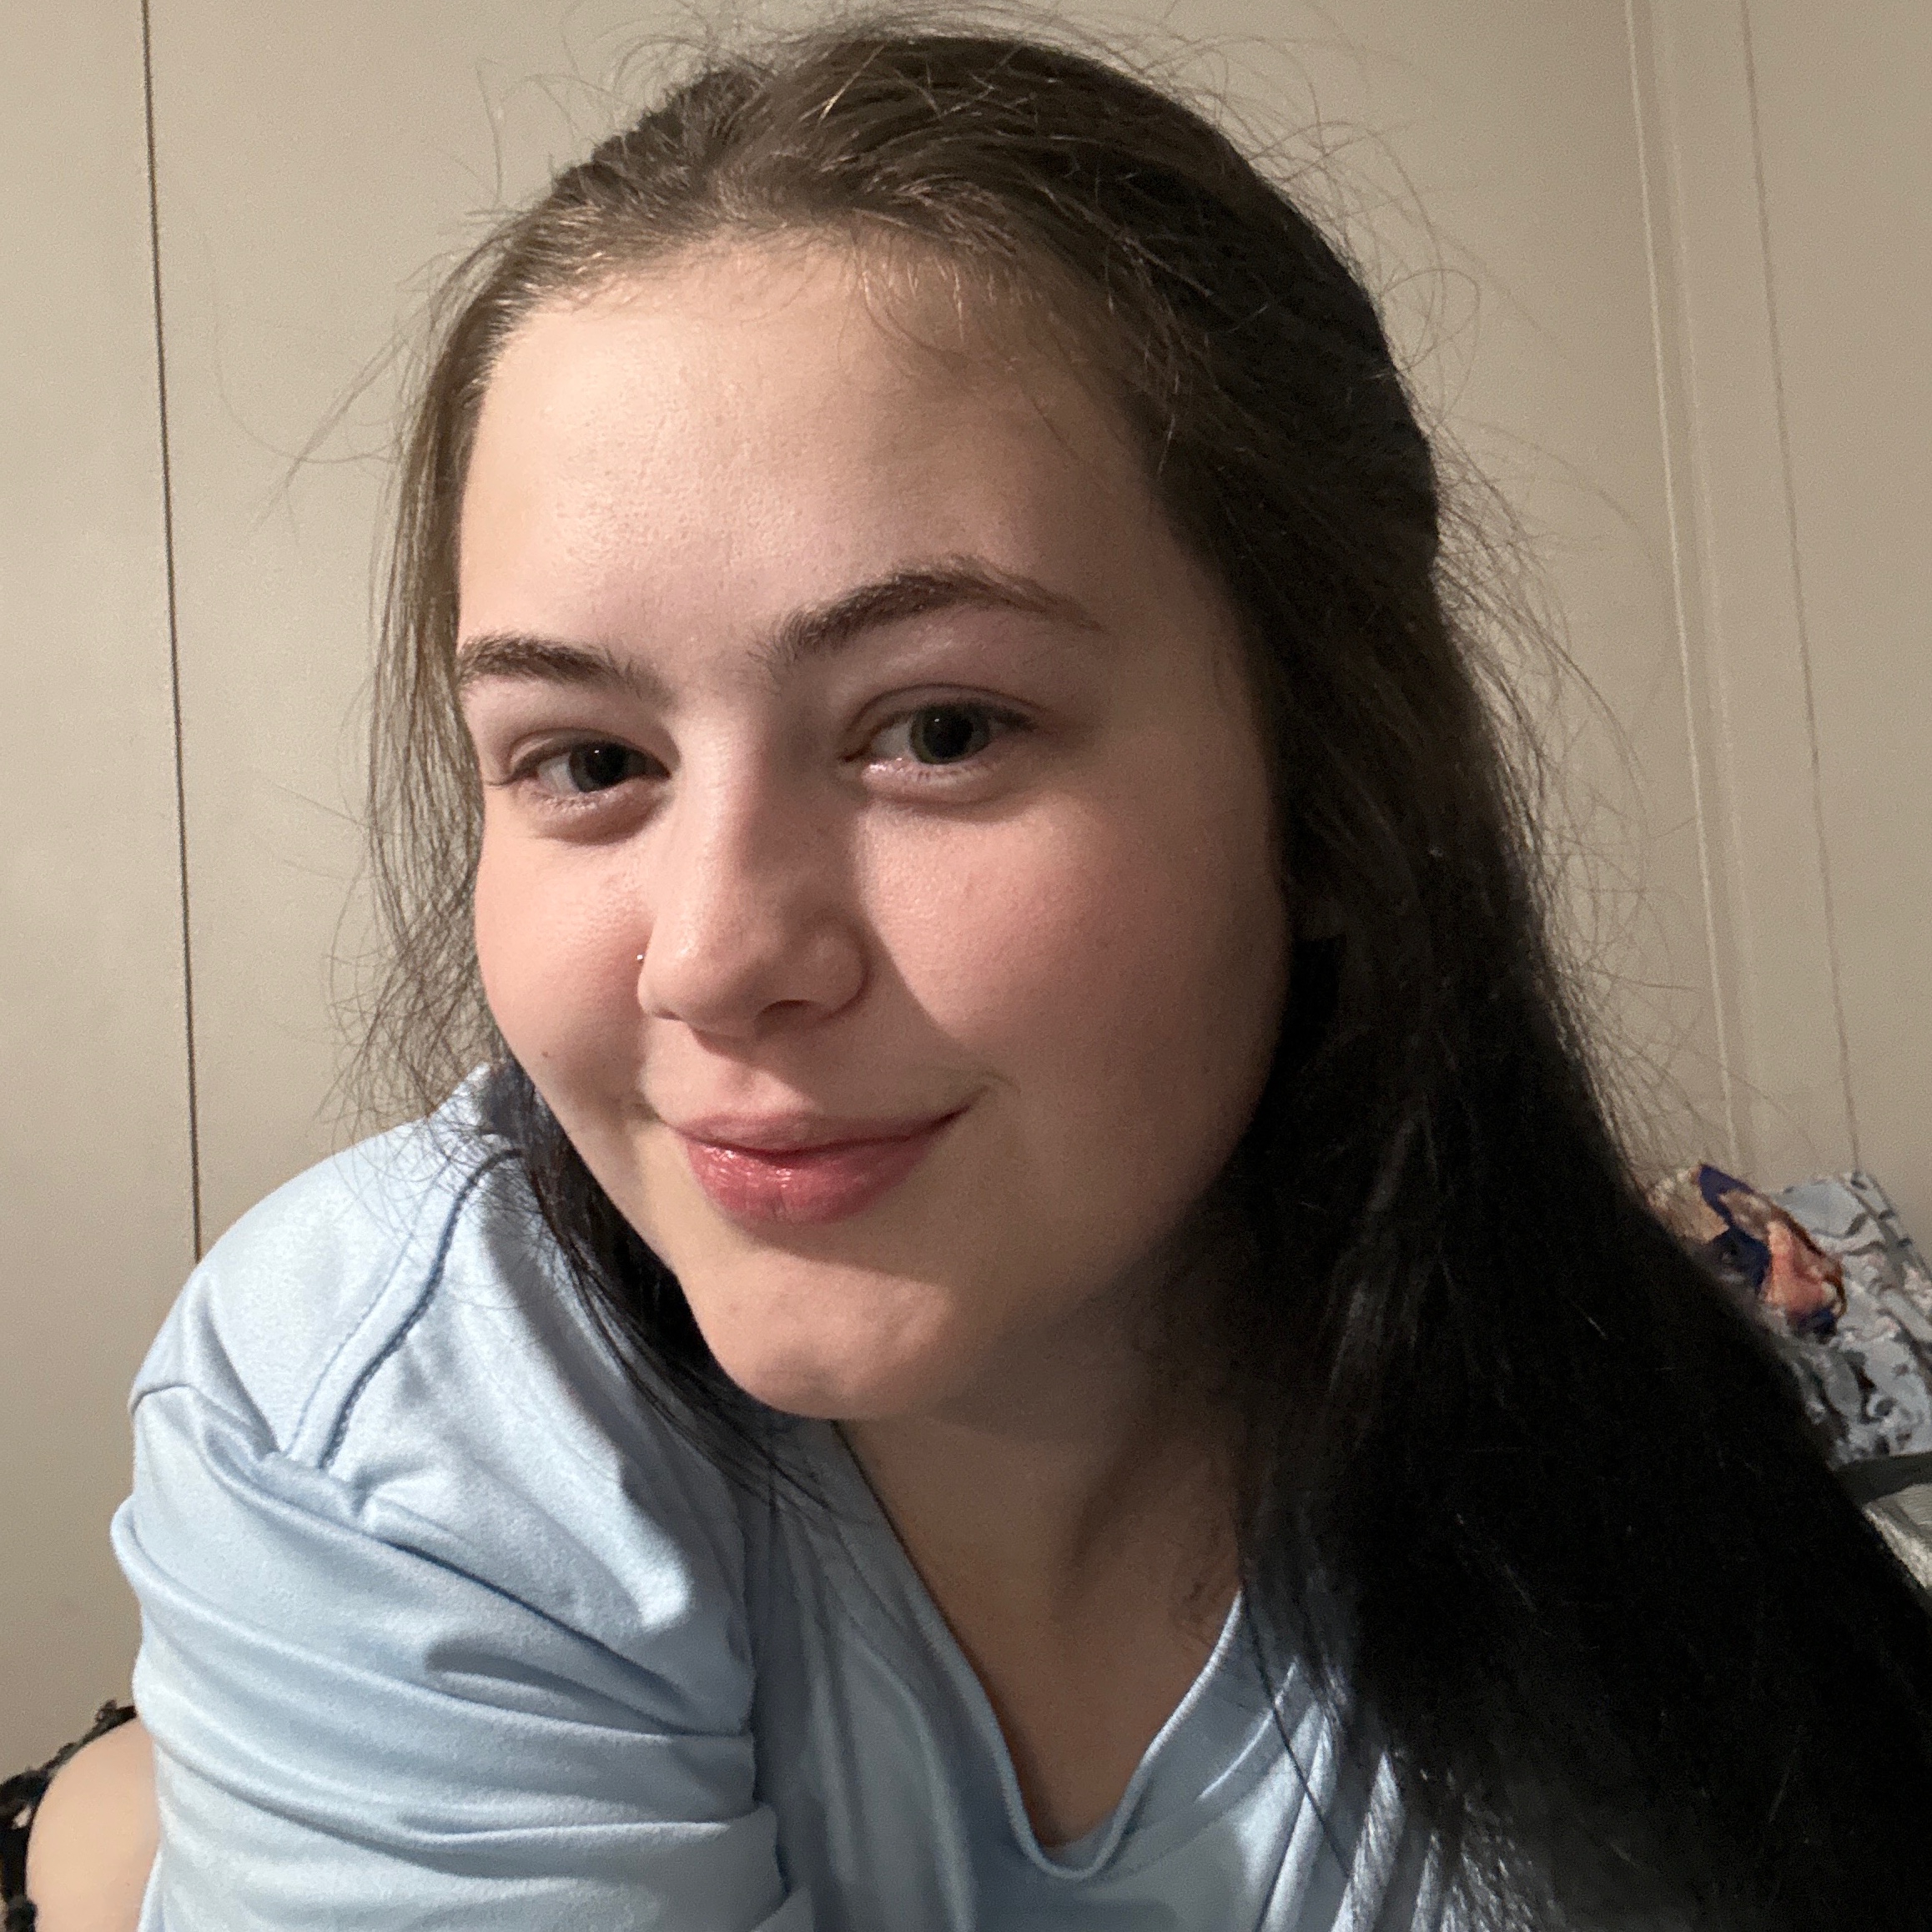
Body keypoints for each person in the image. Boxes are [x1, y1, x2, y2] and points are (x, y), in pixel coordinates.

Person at [17, 20, 1932, 1930]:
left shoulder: (1651, 1567)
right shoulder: (412, 1398)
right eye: (588, 760)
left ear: (1335, 793)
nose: (713, 960)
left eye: (940, 729)